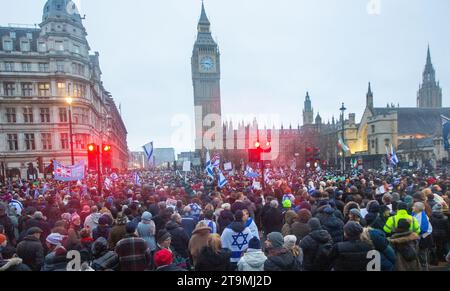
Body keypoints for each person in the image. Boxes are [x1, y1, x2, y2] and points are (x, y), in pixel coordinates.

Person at [412, 202, 433, 270]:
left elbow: (423, 229)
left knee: (423, 258)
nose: (412, 207)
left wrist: (412, 232)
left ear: (418, 208)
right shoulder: (414, 214)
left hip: (423, 239)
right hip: (419, 238)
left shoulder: (423, 216)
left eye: (414, 206)